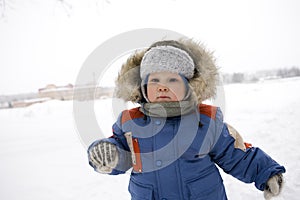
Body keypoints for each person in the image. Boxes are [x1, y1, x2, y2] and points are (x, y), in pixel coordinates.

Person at [87, 39, 286, 200]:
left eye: (172, 80)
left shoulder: (206, 121)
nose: (162, 87)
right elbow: (121, 153)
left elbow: (234, 152)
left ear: (189, 86)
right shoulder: (130, 122)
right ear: (143, 88)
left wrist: (265, 171)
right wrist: (108, 155)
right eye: (154, 80)